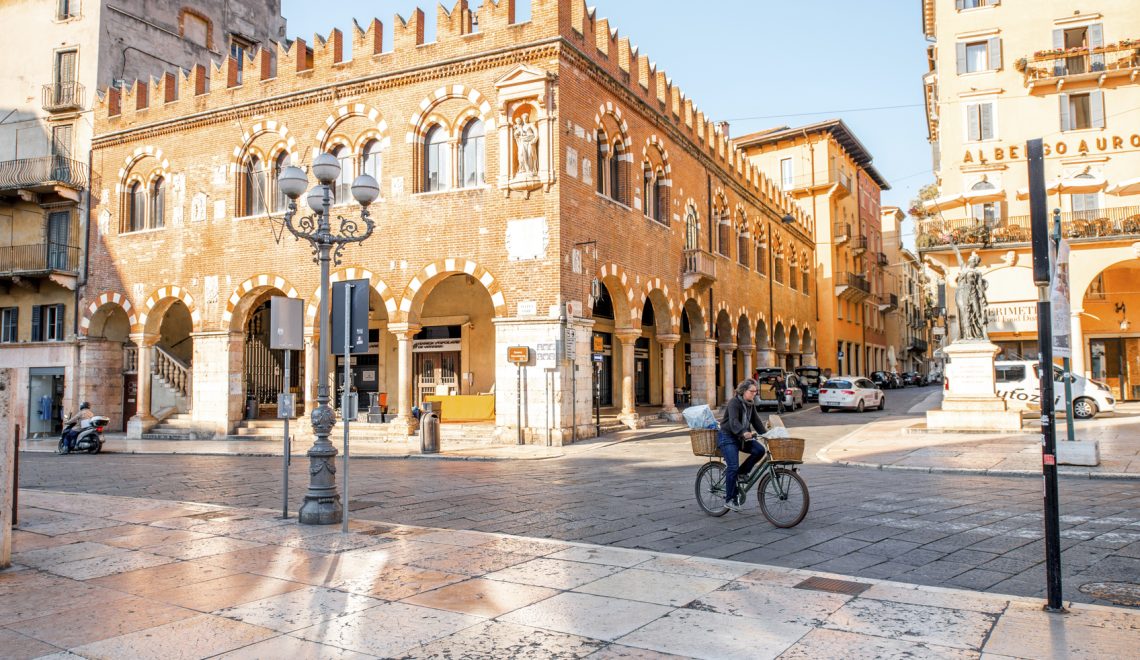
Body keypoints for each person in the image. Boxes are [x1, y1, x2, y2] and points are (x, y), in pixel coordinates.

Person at [717, 379, 768, 512]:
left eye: (755, 392)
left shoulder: (750, 404)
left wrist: (769, 434)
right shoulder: (734, 402)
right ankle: (729, 499)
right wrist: (744, 431)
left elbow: (757, 422)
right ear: (743, 391)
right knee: (733, 466)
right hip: (728, 437)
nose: (754, 394)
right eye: (752, 391)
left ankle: (741, 473)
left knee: (759, 450)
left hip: (741, 438)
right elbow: (733, 421)